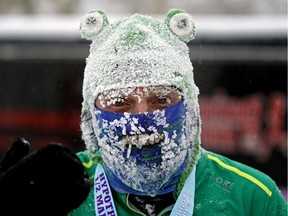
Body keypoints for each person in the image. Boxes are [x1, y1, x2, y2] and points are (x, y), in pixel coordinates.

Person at [0, 8, 286, 216]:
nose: (140, 120)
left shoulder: (252, 197)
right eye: (119, 102)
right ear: (91, 116)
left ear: (190, 109)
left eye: (161, 99)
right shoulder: (51, 190)